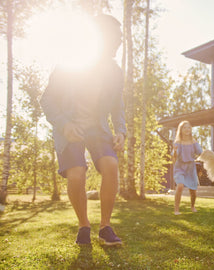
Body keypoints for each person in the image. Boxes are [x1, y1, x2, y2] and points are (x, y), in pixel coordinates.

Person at [40, 14, 125, 246]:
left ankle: (105, 227)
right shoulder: (70, 62)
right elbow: (47, 100)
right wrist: (64, 125)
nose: (119, 41)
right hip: (69, 127)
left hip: (97, 128)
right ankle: (83, 226)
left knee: (111, 165)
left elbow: (118, 106)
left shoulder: (115, 72)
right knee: (76, 174)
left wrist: (120, 130)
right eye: (116, 37)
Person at [172, 121, 203, 215]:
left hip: (190, 168)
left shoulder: (193, 142)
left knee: (193, 190)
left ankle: (192, 206)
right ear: (180, 130)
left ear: (191, 130)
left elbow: (200, 152)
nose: (186, 129)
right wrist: (174, 151)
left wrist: (196, 144)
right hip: (180, 167)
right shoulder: (178, 142)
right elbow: (174, 158)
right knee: (180, 186)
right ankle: (176, 209)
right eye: (184, 128)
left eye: (188, 127)